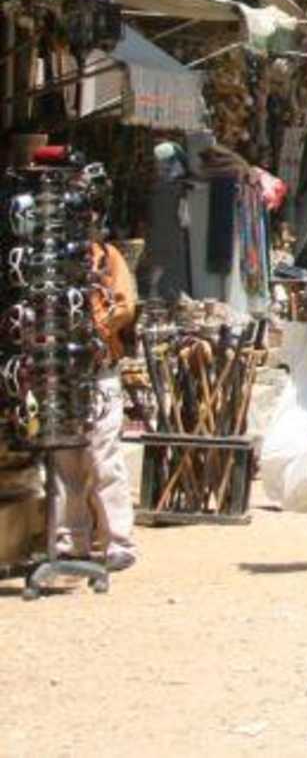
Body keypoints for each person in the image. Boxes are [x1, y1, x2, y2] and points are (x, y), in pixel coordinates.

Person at [45, 230, 137, 572]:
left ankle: (119, 543)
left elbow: (125, 306)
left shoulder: (107, 257)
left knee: (104, 458)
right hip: (59, 374)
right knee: (65, 462)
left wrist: (94, 330)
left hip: (100, 370)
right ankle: (71, 543)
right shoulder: (49, 262)